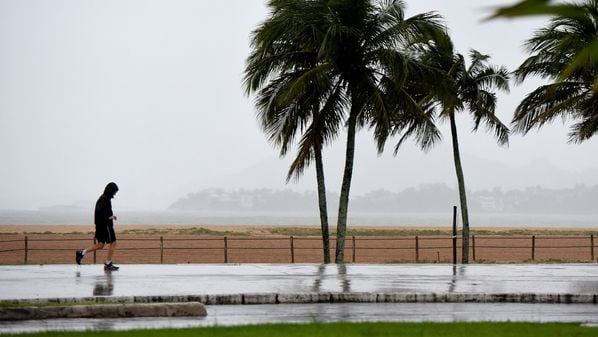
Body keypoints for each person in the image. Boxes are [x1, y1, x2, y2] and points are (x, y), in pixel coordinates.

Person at [76, 182, 120, 271]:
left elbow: (98, 213)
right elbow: (103, 214)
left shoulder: (102, 198)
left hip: (100, 226)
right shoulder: (106, 199)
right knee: (113, 242)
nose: (115, 193)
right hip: (106, 225)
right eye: (115, 191)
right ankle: (108, 263)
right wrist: (111, 217)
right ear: (111, 191)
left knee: (100, 245)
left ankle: (82, 253)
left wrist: (98, 227)